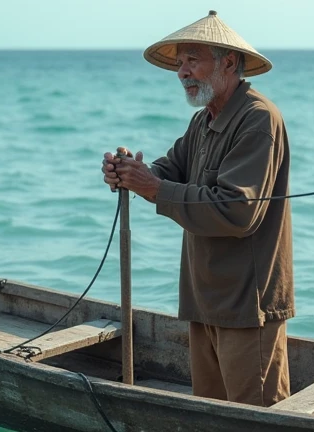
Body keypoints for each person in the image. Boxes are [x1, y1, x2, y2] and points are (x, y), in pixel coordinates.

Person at [102, 10, 294, 407]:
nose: (182, 72)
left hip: (246, 305)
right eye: (180, 63)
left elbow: (238, 211)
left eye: (193, 60)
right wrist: (129, 174)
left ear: (227, 62)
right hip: (203, 298)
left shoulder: (258, 119)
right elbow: (166, 171)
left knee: (255, 418)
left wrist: (152, 186)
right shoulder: (203, 121)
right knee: (209, 416)